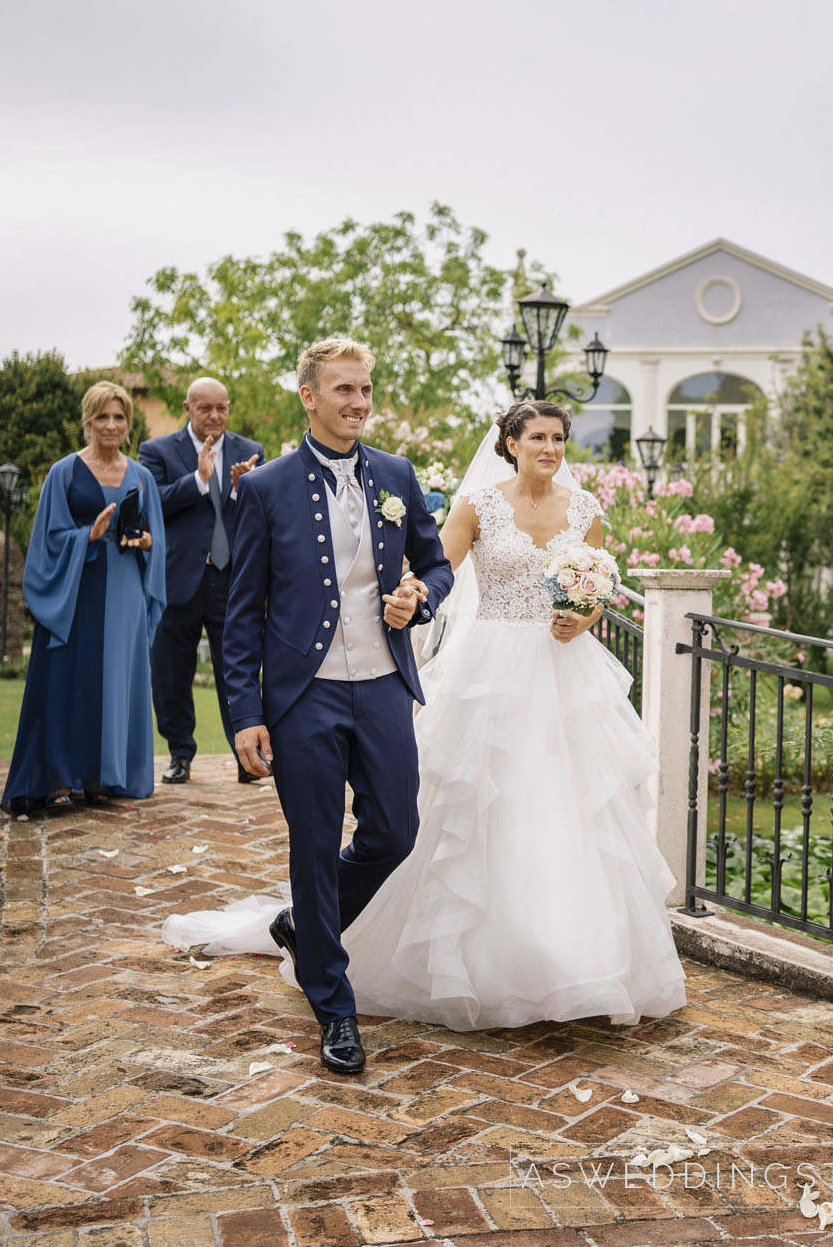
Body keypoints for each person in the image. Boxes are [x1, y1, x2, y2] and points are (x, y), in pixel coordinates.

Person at [167, 399, 685, 1050]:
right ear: (510, 443)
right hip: (491, 669)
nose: (550, 448)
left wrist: (581, 617)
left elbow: (596, 592)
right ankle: (400, 954)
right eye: (537, 437)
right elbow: (436, 571)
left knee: (569, 815)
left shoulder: (587, 512)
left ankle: (572, 964)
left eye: (558, 438)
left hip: (564, 674)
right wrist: (412, 596)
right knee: (471, 817)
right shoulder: (479, 506)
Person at [217, 336, 454, 1075]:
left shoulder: (396, 474)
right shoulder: (265, 489)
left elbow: (438, 563)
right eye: (343, 390)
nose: (357, 402)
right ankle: (334, 1005)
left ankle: (303, 927)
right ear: (309, 396)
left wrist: (420, 597)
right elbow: (240, 614)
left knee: (395, 830)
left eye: (365, 390)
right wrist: (244, 712)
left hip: (383, 681)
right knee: (314, 844)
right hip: (303, 693)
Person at [0, 381, 166, 817]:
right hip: (77, 590)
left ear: (129, 424)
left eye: (119, 417)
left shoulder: (142, 476)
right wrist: (85, 536)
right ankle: (58, 777)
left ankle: (101, 777)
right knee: (71, 679)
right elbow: (46, 540)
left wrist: (145, 541)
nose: (110, 425)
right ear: (87, 421)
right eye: (102, 416)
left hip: (126, 590)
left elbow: (159, 540)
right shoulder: (64, 473)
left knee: (116, 680)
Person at [138, 377, 265, 785]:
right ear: (187, 408)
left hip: (232, 580)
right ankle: (180, 753)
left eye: (222, 408)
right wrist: (199, 480)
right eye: (205, 408)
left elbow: (262, 516)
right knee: (171, 672)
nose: (214, 416)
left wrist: (238, 491)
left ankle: (247, 759)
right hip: (179, 578)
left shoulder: (251, 452)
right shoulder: (156, 451)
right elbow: (151, 504)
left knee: (239, 668)